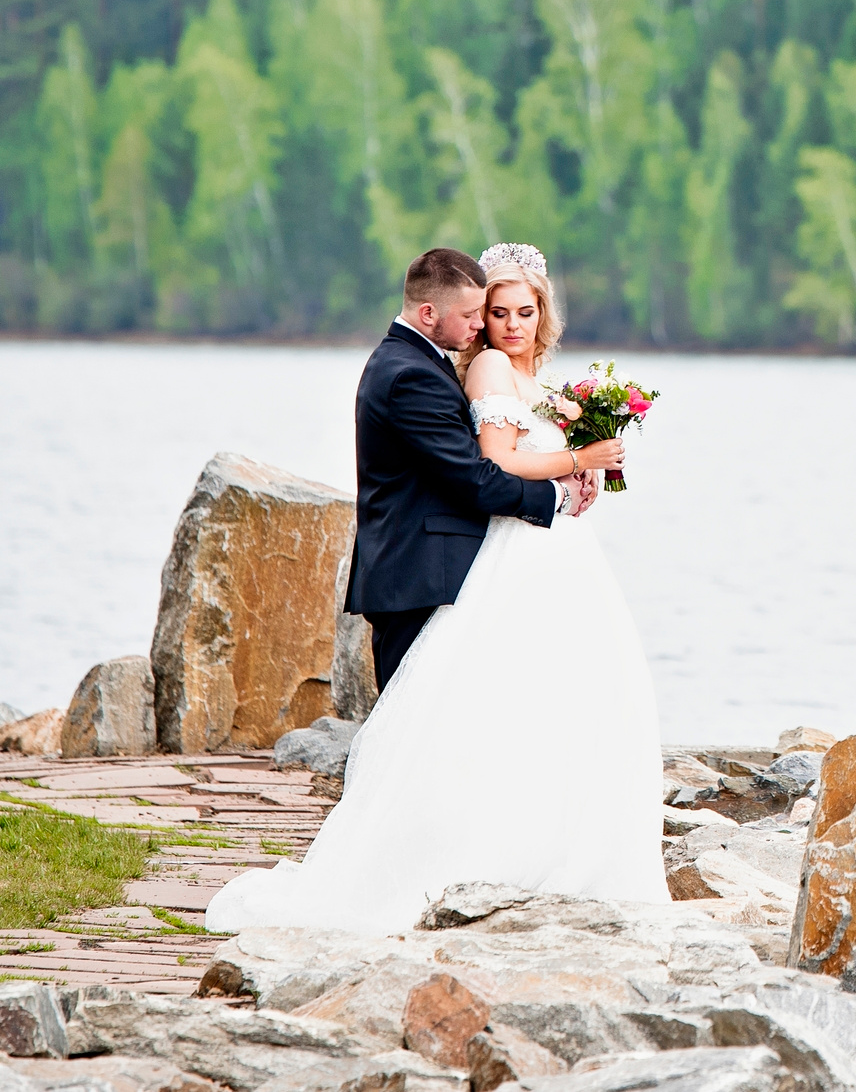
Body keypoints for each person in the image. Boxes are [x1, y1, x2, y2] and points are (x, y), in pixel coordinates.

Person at [206, 245, 667, 932]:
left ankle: (517, 842)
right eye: (484, 312)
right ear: (435, 313)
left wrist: (574, 469)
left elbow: (488, 466)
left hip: (463, 559)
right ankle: (411, 867)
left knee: (480, 715)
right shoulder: (420, 374)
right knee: (426, 733)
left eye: (515, 310)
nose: (493, 324)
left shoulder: (429, 364)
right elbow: (481, 474)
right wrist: (571, 473)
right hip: (424, 569)